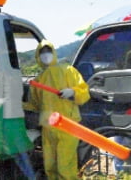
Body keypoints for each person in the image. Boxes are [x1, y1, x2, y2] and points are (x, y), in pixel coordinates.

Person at [26, 40, 90, 180]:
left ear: (54, 53)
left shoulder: (68, 70)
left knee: (65, 166)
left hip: (68, 125)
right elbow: (35, 105)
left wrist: (72, 92)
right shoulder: (38, 80)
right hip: (48, 128)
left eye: (48, 51)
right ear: (37, 56)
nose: (45, 55)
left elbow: (84, 92)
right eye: (42, 52)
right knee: (50, 166)